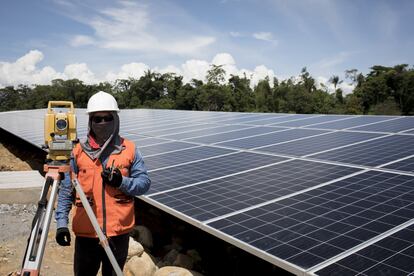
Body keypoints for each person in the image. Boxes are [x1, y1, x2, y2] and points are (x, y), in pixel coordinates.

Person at [55, 91, 151, 276]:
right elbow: (67, 191)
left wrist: (121, 181)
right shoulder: (77, 152)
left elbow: (144, 183)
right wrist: (61, 223)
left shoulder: (129, 149)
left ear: (115, 119)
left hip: (118, 234)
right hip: (86, 234)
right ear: (90, 121)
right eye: (97, 119)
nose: (102, 123)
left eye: (107, 118)